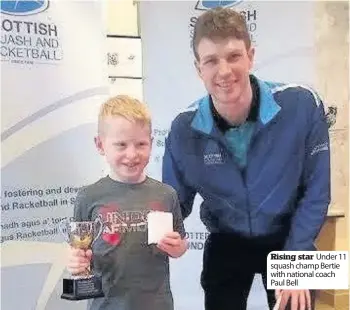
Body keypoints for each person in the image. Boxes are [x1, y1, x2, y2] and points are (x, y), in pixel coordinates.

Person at [162, 7, 330, 310]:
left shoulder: (302, 104)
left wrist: (298, 258)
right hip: (227, 238)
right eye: (211, 60)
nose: (224, 71)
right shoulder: (183, 129)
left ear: (250, 55)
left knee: (298, 305)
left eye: (233, 56)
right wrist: (167, 236)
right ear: (198, 68)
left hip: (289, 236)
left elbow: (317, 191)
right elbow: (171, 202)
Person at [66, 95, 188, 310]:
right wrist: (76, 262)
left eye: (140, 144)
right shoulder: (88, 197)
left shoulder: (166, 194)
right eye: (121, 145)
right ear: (100, 145)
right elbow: (78, 251)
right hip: (106, 305)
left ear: (151, 143)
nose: (131, 154)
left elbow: (180, 244)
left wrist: (178, 248)